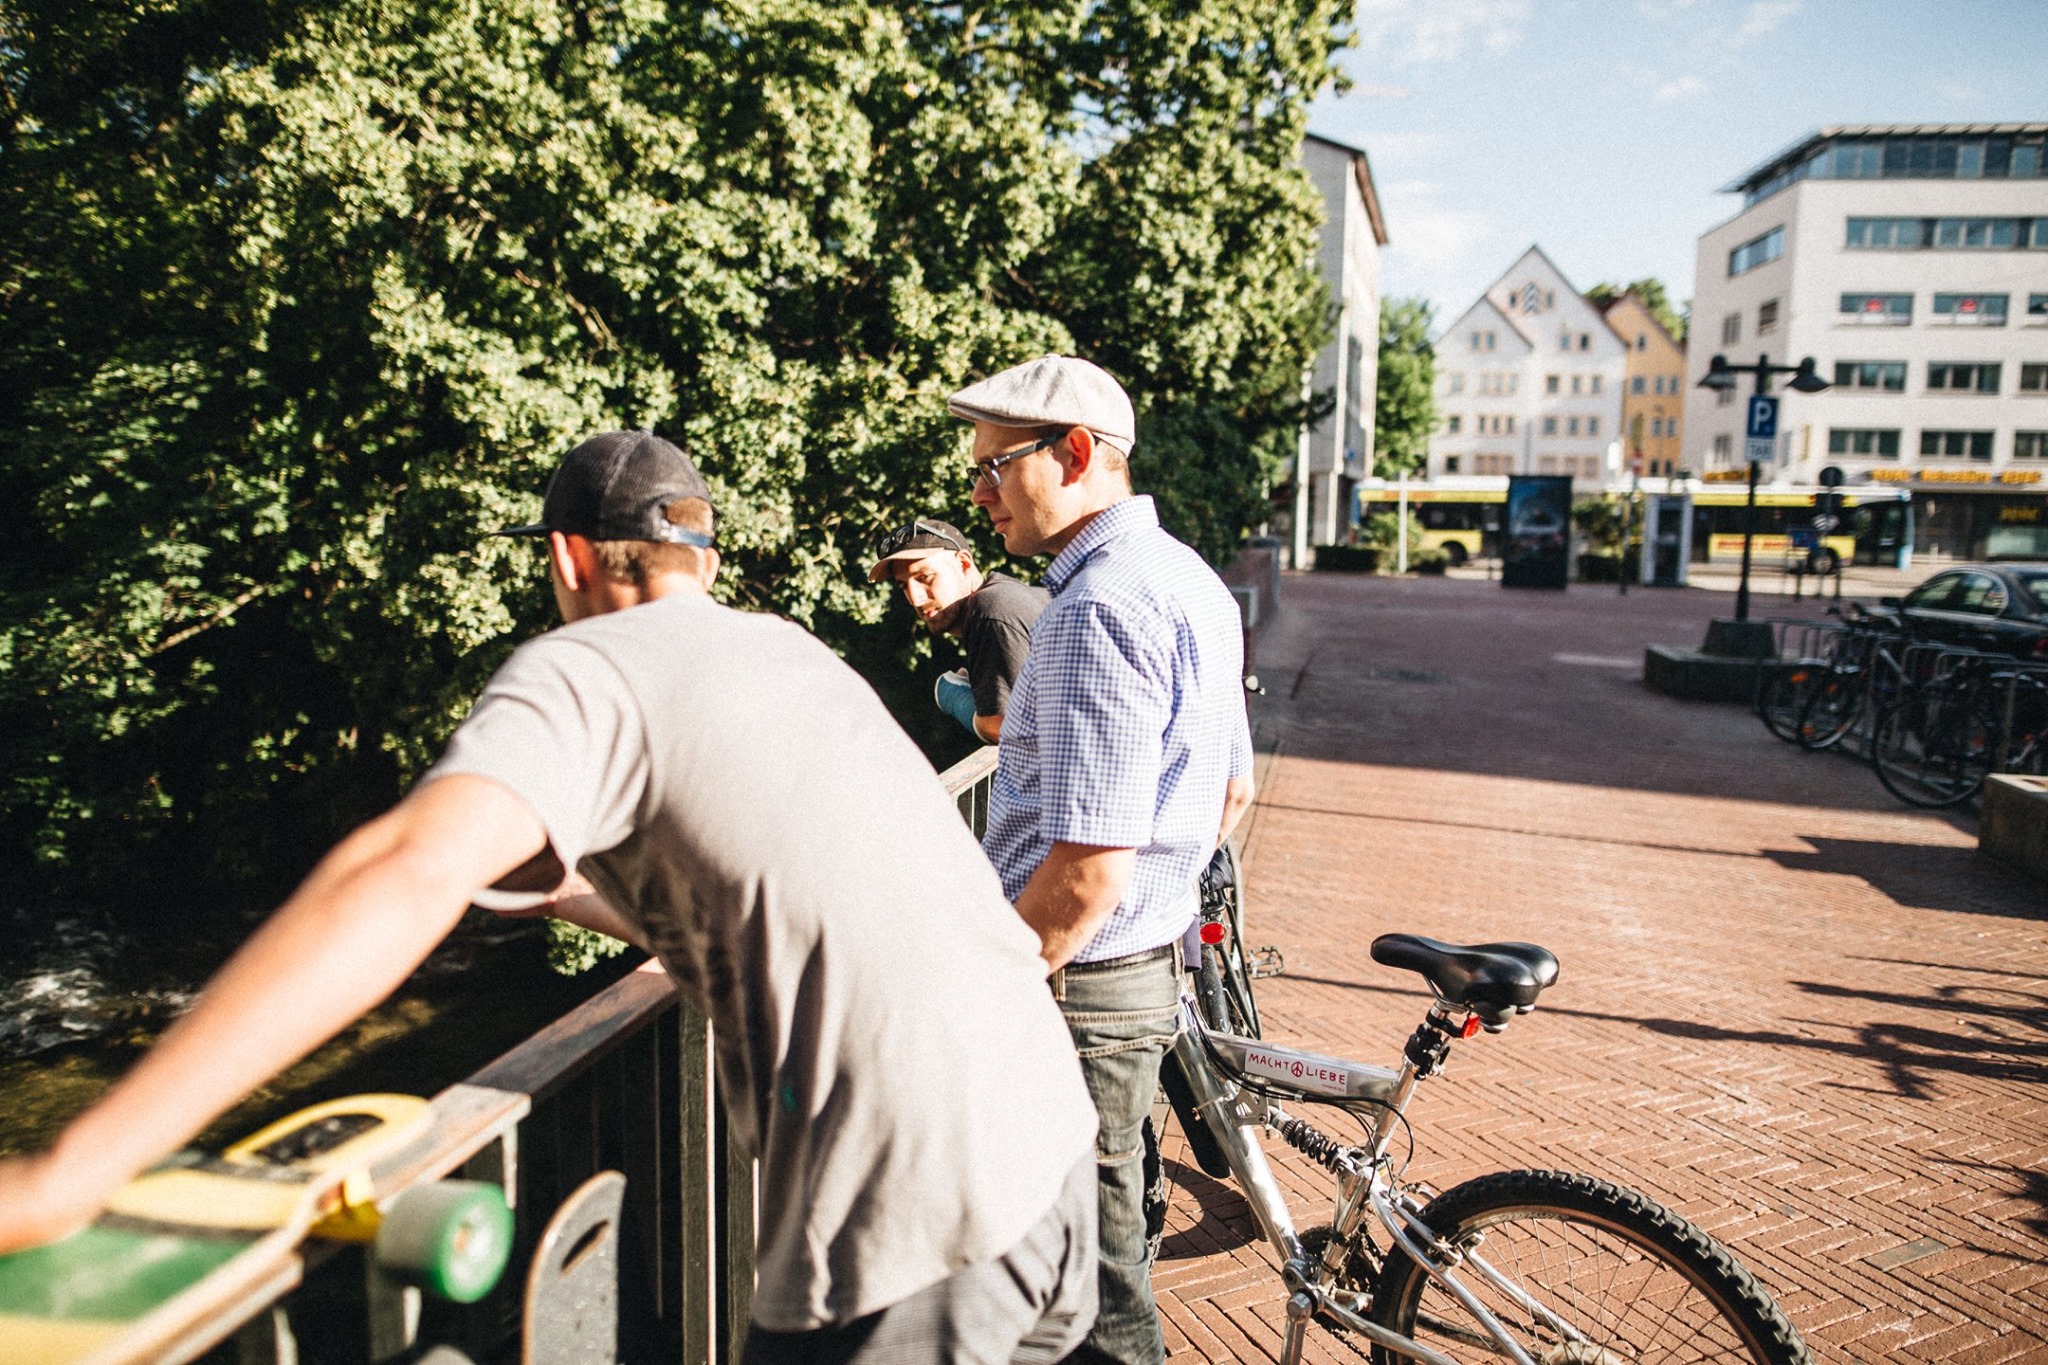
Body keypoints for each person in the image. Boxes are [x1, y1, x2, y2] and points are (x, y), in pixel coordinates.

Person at [0, 431, 1102, 1364]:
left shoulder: (590, 664)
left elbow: (399, 872)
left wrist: (66, 1176)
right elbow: (770, 892)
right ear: (701, 559)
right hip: (1043, 1157)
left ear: (571, 559)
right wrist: (552, 885)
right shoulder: (790, 658)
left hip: (916, 1221)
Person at [949, 358, 1254, 1365]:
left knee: (1084, 1290)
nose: (978, 491)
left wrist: (994, 995)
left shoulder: (1095, 611)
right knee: (1097, 1254)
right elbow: (1230, 792)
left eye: (996, 466)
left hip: (1076, 991)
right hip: (1136, 974)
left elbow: (1083, 870)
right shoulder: (1187, 581)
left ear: (1075, 455)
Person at [867, 518, 1048, 742]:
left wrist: (954, 697)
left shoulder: (989, 610)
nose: (915, 598)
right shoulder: (1014, 593)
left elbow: (1005, 729)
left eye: (924, 577)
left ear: (964, 564)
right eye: (904, 585)